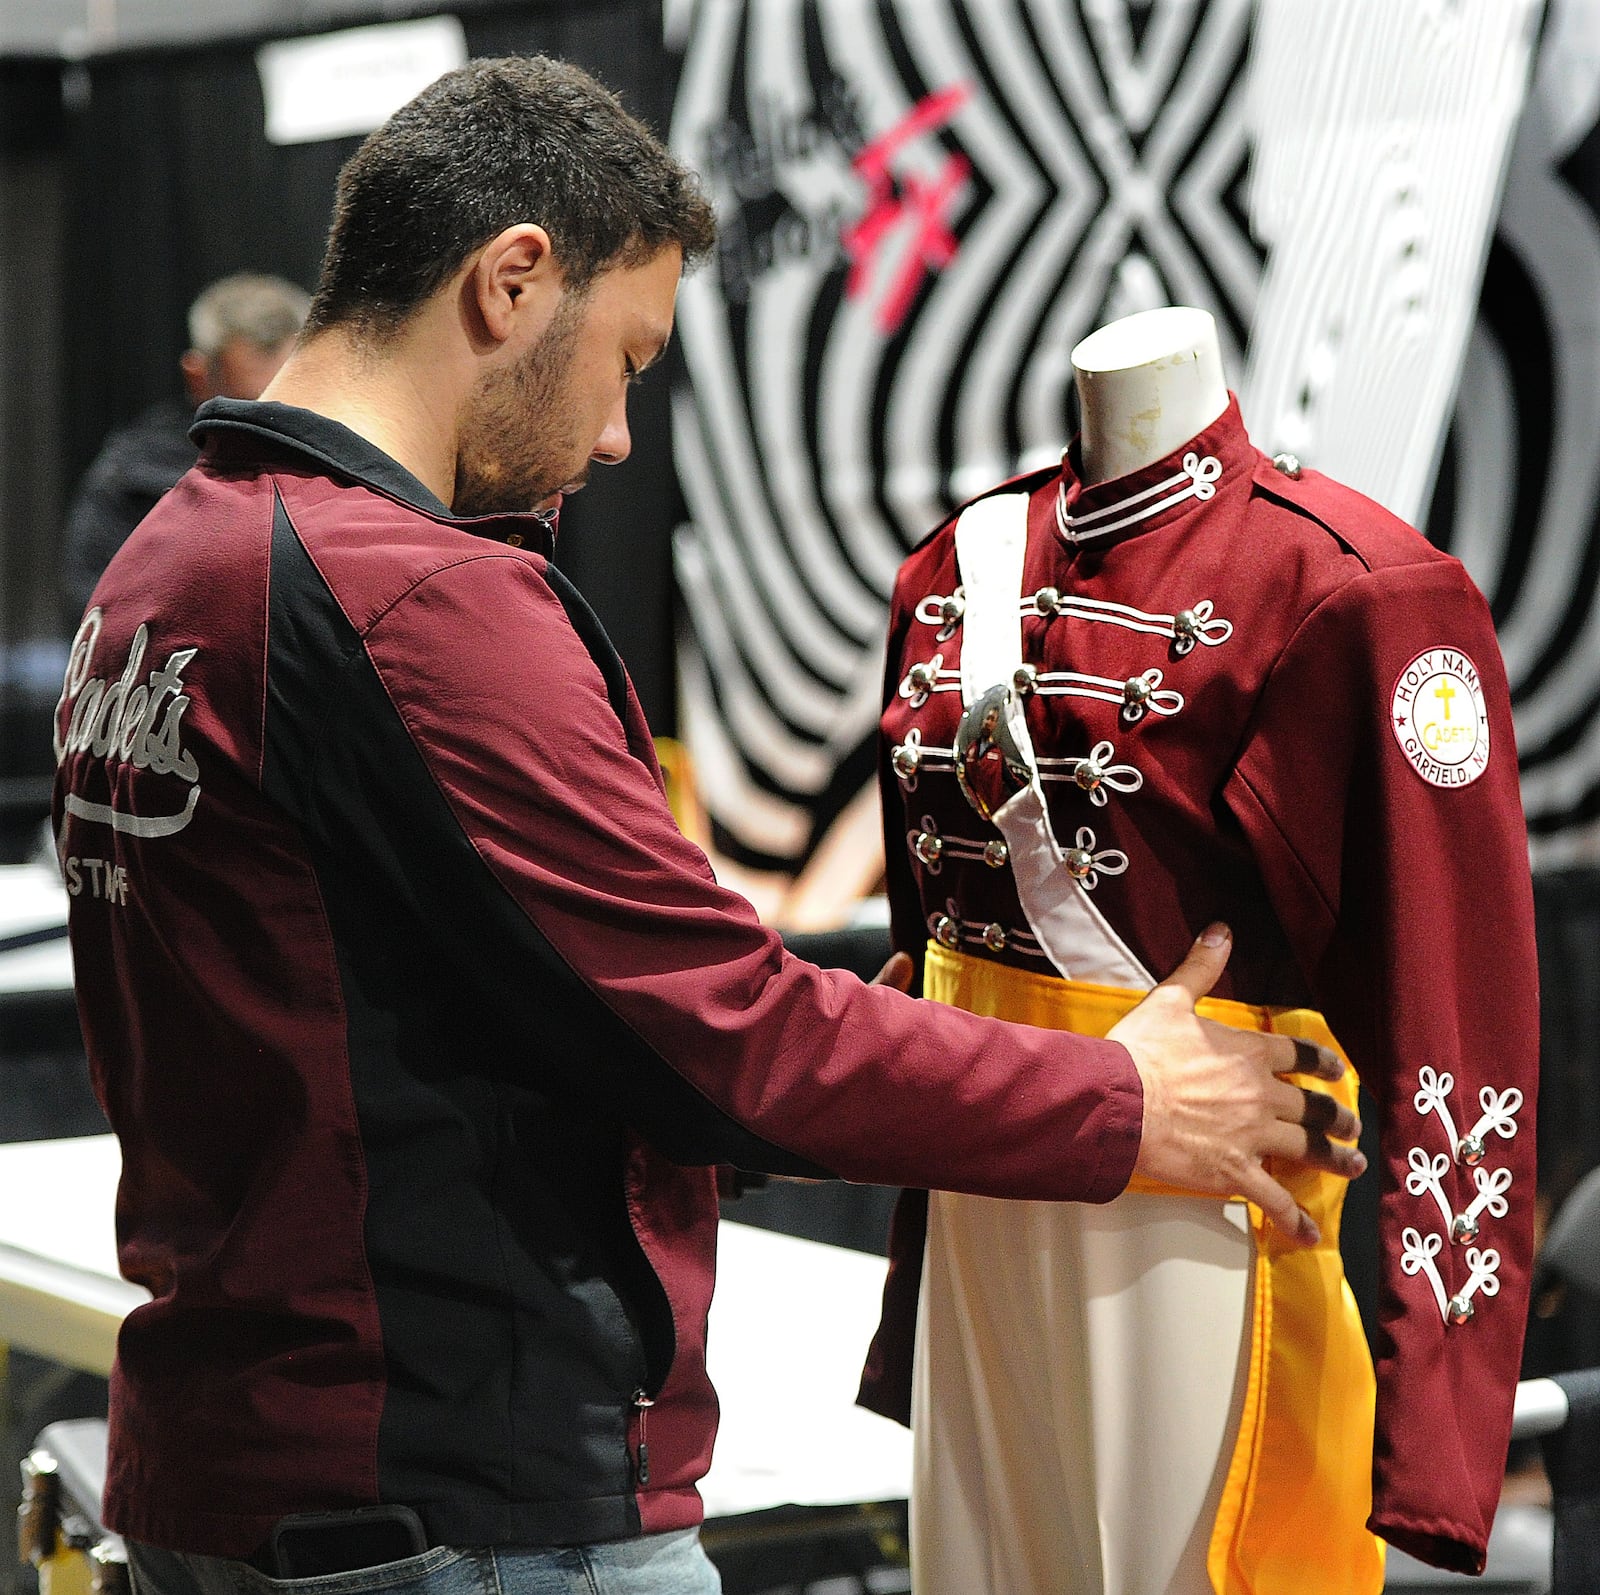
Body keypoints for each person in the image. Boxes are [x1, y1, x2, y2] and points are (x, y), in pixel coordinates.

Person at [53, 59, 1364, 1595]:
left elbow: (476, 1008)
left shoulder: (167, 563)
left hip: (239, 1482)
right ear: (512, 279)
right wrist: (1126, 1104)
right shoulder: (415, 599)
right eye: (626, 358)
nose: (617, 435)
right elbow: (729, 1037)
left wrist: (900, 1034)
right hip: (458, 1514)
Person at [864, 306, 1537, 1592]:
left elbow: (1460, 1014)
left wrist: (1435, 1415)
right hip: (981, 1205)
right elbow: (928, 935)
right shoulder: (953, 564)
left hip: (1204, 1225)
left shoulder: (1358, 591)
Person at [59, 272, 309, 621]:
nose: (266, 431)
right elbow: (95, 617)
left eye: (284, 407)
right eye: (243, 409)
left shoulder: (338, 464)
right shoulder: (134, 474)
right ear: (197, 375)